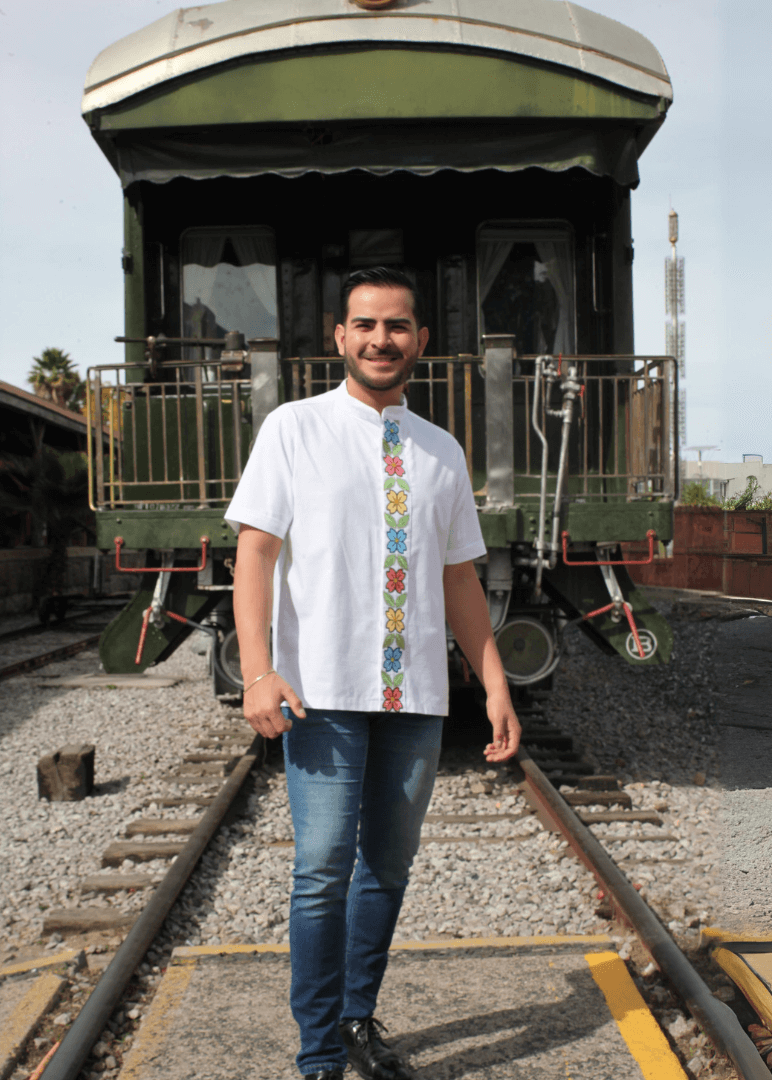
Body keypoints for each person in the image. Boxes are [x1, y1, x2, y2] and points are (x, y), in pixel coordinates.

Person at [226, 266, 521, 1080]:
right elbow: (254, 551)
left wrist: (493, 681)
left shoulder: (442, 451)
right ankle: (318, 1053)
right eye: (365, 325)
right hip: (318, 692)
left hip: (415, 696)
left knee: (387, 868)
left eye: (396, 326)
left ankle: (357, 1019)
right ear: (340, 337)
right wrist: (259, 671)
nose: (380, 339)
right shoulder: (293, 428)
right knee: (321, 870)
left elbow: (460, 578)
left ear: (420, 339)